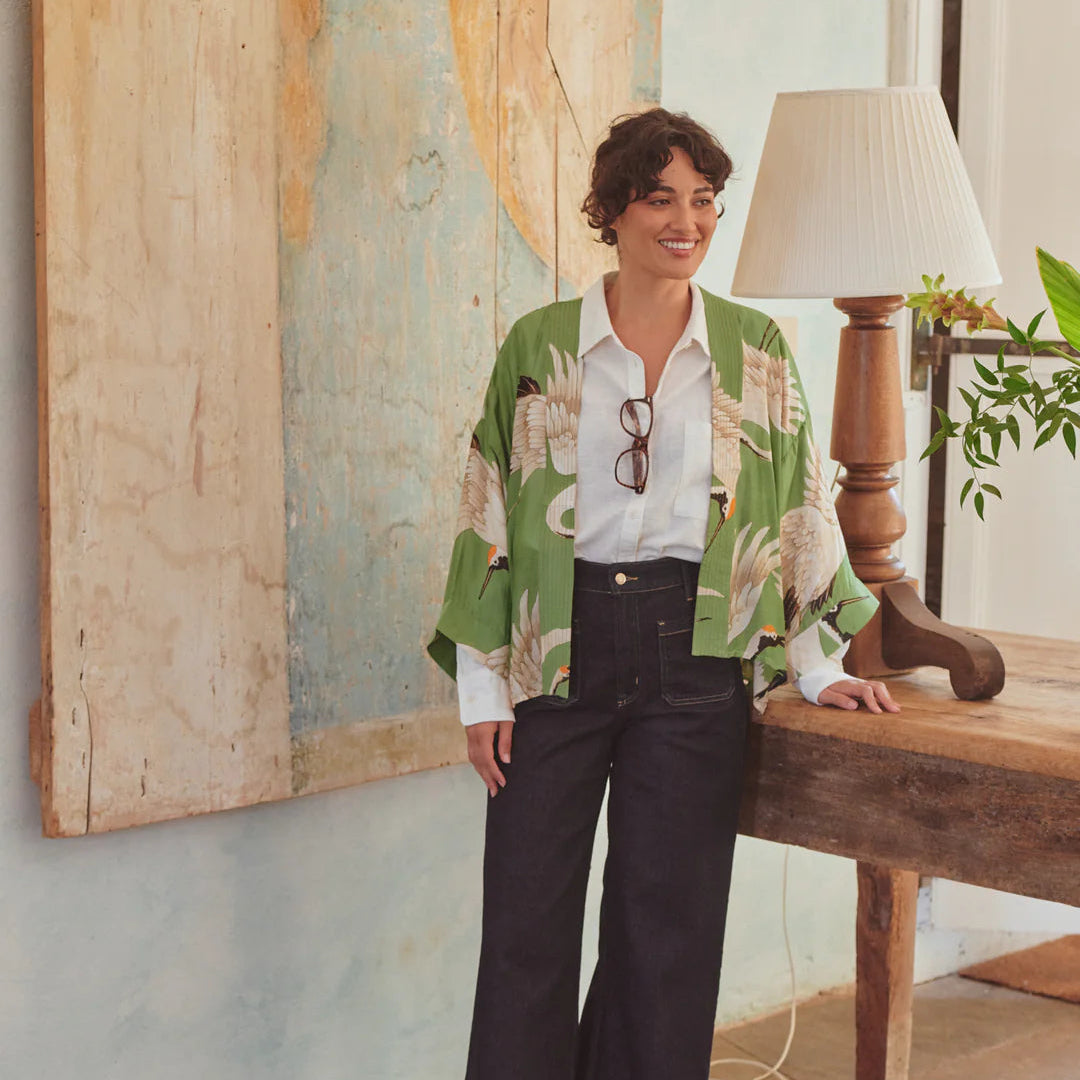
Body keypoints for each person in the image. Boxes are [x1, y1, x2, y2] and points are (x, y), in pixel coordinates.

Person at [428, 108, 900, 1080]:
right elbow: (489, 509)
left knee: (666, 939)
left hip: (696, 657)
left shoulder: (754, 349)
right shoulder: (541, 345)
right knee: (525, 927)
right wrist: (482, 690)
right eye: (660, 198)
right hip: (557, 653)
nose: (686, 222)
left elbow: (794, 503)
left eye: (703, 200)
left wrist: (816, 668)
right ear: (613, 210)